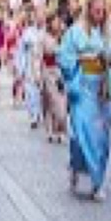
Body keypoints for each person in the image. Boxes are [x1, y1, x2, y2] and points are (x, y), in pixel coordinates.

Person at [58, 0, 111, 200]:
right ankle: (76, 165)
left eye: (103, 11)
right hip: (83, 86)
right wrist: (79, 64)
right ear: (89, 10)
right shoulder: (75, 32)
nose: (99, 14)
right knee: (80, 135)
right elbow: (64, 57)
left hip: (102, 88)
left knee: (101, 138)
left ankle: (98, 181)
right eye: (96, 10)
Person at [40, 11, 68, 144]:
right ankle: (50, 130)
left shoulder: (64, 36)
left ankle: (60, 129)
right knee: (50, 101)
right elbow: (41, 54)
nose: (57, 24)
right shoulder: (44, 37)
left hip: (62, 72)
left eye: (58, 21)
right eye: (54, 21)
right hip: (49, 72)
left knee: (61, 104)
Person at [17, 9, 47, 129]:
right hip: (31, 64)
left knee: (43, 91)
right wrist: (21, 67)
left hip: (44, 64)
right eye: (37, 17)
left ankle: (41, 113)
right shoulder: (28, 32)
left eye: (42, 16)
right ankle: (33, 116)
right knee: (31, 91)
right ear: (34, 18)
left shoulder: (47, 31)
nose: (40, 19)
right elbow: (21, 50)